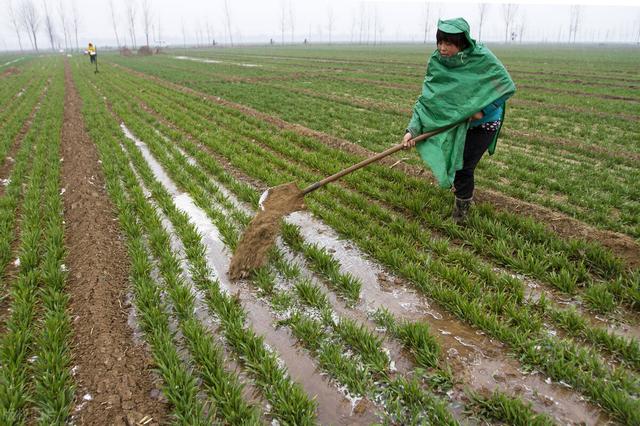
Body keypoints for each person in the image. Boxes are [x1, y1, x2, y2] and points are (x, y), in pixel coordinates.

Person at [402, 18, 516, 224]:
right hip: (459, 123)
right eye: (440, 42)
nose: (442, 48)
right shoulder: (437, 62)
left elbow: (505, 86)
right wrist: (412, 131)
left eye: (449, 43)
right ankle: (465, 197)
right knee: (456, 163)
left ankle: (461, 215)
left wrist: (482, 110)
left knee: (464, 166)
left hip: (485, 123)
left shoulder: (481, 58)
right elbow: (427, 101)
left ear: (462, 42)